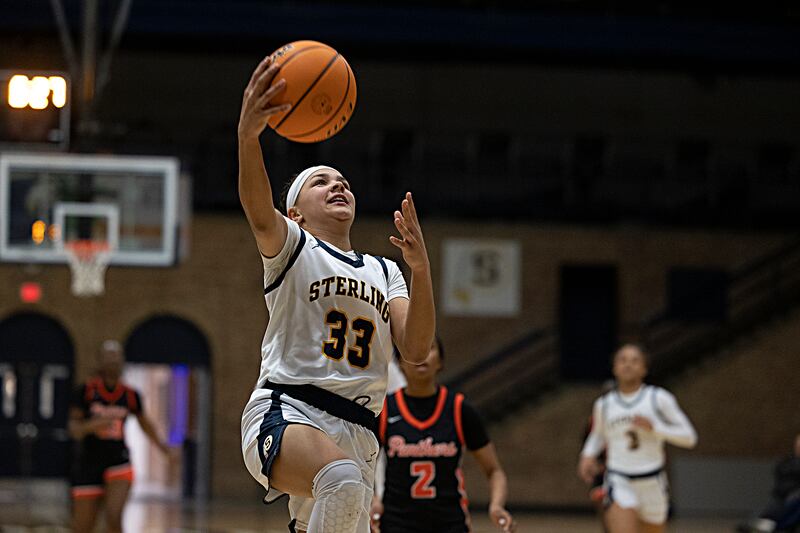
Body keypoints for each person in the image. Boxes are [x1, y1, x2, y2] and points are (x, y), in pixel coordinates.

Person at [238, 54, 436, 533]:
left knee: (333, 502)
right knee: (342, 480)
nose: (337, 185)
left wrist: (422, 268)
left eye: (342, 181)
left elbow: (415, 350)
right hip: (289, 407)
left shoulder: (386, 270)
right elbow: (258, 207)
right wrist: (248, 137)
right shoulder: (292, 246)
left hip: (361, 431)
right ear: (296, 213)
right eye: (320, 181)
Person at [370, 338, 515, 533]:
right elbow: (362, 466)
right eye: (412, 350)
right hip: (397, 523)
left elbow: (494, 471)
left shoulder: (459, 409)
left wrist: (497, 505)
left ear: (441, 361)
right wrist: (372, 499)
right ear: (399, 363)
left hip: (450, 523)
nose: (421, 356)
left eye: (429, 349)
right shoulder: (385, 409)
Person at [578, 343, 698, 533]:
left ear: (644, 368)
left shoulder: (658, 398)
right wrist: (587, 455)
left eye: (635, 361)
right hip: (619, 478)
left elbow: (690, 438)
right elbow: (598, 435)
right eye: (623, 360)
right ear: (614, 368)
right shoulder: (604, 404)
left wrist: (656, 428)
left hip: (652, 480)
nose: (628, 365)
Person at [68, 340, 171, 533]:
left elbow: (146, 425)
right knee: (83, 526)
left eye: (117, 357)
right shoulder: (86, 392)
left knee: (114, 516)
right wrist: (93, 425)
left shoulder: (130, 395)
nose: (113, 361)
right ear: (100, 361)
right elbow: (74, 429)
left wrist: (163, 448)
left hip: (119, 460)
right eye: (109, 356)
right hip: (88, 462)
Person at [737, 434, 800, 533]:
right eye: (798, 444)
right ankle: (761, 523)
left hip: (794, 498)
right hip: (782, 496)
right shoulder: (788, 461)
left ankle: (774, 525)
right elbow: (780, 471)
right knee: (771, 510)